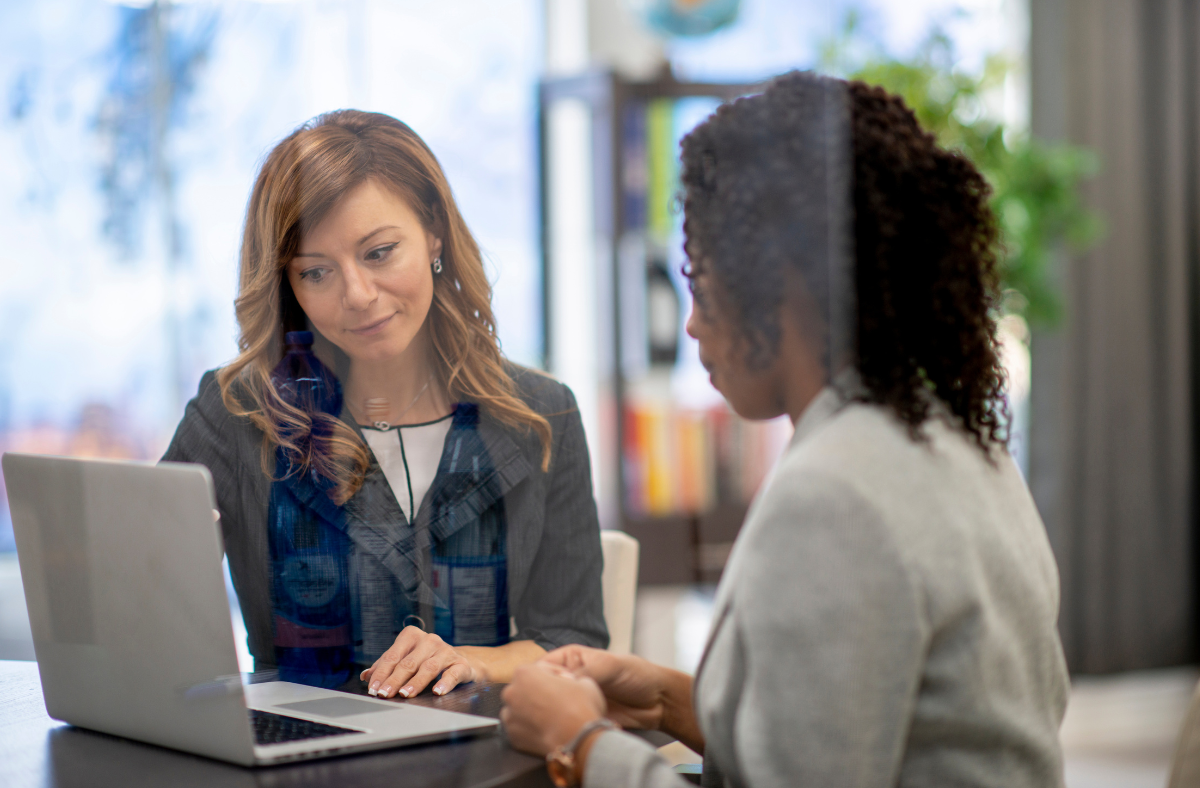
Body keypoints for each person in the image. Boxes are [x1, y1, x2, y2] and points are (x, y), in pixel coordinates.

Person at [500, 72, 1068, 787]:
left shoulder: (836, 497)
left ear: (783, 287)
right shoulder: (958, 442)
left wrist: (578, 741)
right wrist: (670, 695)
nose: (692, 324)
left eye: (702, 285)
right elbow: (850, 741)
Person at [164, 110, 607, 698]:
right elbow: (138, 603)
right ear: (286, 286)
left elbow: (572, 643)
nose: (357, 295)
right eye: (316, 272)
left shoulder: (540, 416)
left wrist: (470, 660)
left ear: (433, 233)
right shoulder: (235, 416)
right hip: (298, 759)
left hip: (480, 759)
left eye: (378, 253)